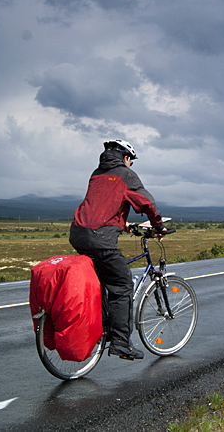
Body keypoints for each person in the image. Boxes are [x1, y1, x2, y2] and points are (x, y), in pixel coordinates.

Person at [69, 139, 165, 360]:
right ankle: (121, 343)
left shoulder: (96, 173)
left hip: (78, 234)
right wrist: (158, 226)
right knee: (122, 285)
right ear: (126, 158)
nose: (130, 165)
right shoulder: (125, 174)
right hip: (100, 239)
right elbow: (147, 203)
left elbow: (102, 208)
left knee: (102, 281)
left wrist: (125, 225)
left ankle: (101, 328)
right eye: (131, 161)